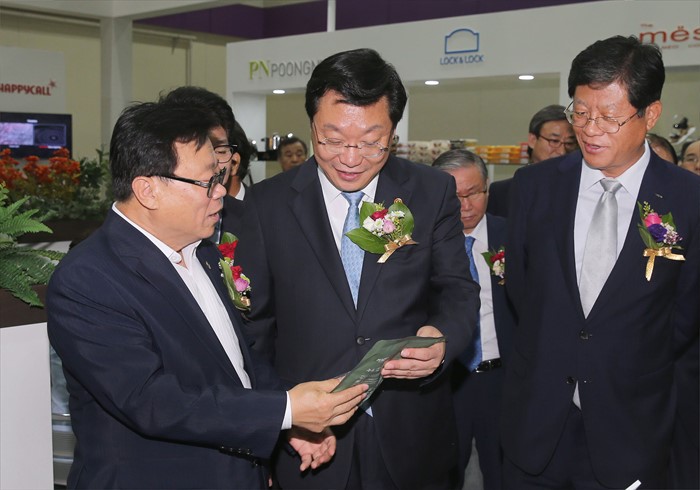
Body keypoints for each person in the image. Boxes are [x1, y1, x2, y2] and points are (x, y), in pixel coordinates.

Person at [46, 100, 368, 489]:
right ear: (147, 190)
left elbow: (239, 362)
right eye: (207, 183)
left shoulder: (204, 253)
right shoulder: (88, 279)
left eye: (221, 177)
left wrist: (287, 423)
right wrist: (284, 410)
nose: (220, 194)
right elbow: (151, 400)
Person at [237, 48, 479, 489]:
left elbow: (457, 290)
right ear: (312, 124)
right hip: (312, 436)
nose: (350, 158)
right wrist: (284, 415)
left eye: (371, 142)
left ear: (394, 132)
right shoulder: (265, 205)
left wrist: (442, 340)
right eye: (331, 139)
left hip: (411, 428)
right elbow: (255, 329)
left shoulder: (430, 191)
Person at [501, 35, 699, 489]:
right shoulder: (534, 187)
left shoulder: (688, 200)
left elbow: (684, 317)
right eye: (580, 112)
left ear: (650, 113)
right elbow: (524, 293)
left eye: (609, 117)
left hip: (630, 428)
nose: (590, 130)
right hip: (536, 428)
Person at [432, 149, 516, 490]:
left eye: (474, 193)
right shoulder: (419, 243)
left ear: (488, 189)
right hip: (446, 379)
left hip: (503, 378)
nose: (465, 206)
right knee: (443, 470)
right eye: (455, 197)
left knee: (503, 471)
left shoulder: (513, 235)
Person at [158, 86, 252, 240]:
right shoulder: (144, 225)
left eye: (220, 150)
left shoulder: (255, 222)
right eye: (200, 149)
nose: (213, 163)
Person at [487, 104, 577, 217]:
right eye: (554, 141)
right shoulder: (501, 192)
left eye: (569, 143)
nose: (562, 151)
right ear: (532, 140)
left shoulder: (578, 189)